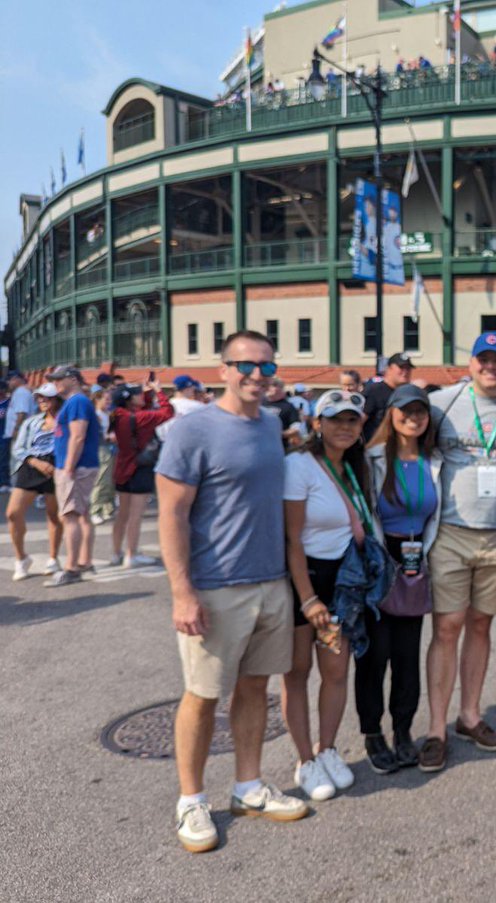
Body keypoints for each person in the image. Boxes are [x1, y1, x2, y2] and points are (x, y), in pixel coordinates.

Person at [157, 331, 309, 854]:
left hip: (270, 581)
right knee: (202, 697)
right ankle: (191, 799)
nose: (256, 375)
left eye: (265, 366)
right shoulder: (191, 430)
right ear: (222, 368)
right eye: (245, 365)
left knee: (254, 689)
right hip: (216, 587)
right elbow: (172, 514)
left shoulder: (270, 424)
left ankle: (248, 787)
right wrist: (182, 593)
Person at [421, 332, 496, 772]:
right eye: (483, 360)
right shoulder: (443, 404)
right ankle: (435, 728)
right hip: (451, 530)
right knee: (447, 626)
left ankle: (469, 716)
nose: (491, 367)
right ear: (470, 364)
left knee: (480, 624)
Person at [282, 390, 374, 801]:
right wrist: (307, 599)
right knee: (298, 672)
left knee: (336, 672)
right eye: (335, 419)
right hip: (304, 582)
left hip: (343, 583)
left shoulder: (357, 465)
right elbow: (292, 540)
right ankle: (305, 760)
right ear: (317, 424)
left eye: (352, 420)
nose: (344, 427)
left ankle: (329, 748)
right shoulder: (298, 465)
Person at [362, 383, 441, 772]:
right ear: (391, 415)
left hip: (415, 560)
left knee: (408, 656)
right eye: (405, 412)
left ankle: (403, 730)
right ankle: (372, 733)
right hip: (381, 559)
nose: (413, 419)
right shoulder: (372, 458)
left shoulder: (434, 460)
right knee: (376, 655)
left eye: (420, 412)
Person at [47, 366, 101, 587]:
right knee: (81, 514)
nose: (55, 383)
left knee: (70, 516)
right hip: (80, 465)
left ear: (72, 379)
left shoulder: (77, 401)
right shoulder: (76, 401)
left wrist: (69, 466)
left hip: (75, 467)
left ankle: (71, 568)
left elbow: (78, 436)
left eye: (59, 379)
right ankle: (84, 561)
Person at [111, 382, 174, 568]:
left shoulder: (118, 415)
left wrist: (145, 393)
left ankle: (116, 553)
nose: (141, 395)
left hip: (122, 466)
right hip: (139, 467)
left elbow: (143, 407)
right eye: (137, 394)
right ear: (130, 399)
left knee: (122, 514)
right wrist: (158, 391)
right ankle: (132, 554)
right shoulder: (141, 418)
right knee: (136, 515)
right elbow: (167, 412)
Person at [8, 384, 64, 580]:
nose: (42, 401)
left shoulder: (65, 420)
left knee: (53, 515)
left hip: (56, 466)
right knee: (13, 513)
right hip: (32, 464)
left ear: (56, 399)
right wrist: (35, 462)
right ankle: (21, 558)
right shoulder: (31, 422)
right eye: (39, 398)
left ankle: (53, 558)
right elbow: (19, 448)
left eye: (46, 398)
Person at [364, 353, 416, 440]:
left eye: (408, 368)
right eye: (401, 368)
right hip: (375, 446)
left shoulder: (409, 393)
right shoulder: (374, 391)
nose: (405, 372)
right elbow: (360, 420)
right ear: (389, 369)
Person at [89, 386, 116, 525]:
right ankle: (95, 510)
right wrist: (107, 437)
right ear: (97, 399)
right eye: (106, 399)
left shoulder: (109, 414)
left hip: (111, 449)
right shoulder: (95, 416)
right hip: (101, 449)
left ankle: (108, 508)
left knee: (110, 480)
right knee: (101, 481)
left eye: (110, 399)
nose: (109, 401)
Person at [5, 372, 37, 472]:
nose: (8, 383)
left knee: (17, 463)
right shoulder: (21, 391)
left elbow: (22, 413)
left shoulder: (21, 392)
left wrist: (16, 429)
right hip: (21, 433)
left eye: (9, 380)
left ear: (16, 379)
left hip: (20, 434)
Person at [263, 378, 302, 448]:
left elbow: (295, 429)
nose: (268, 388)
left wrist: (279, 434)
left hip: (278, 448)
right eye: (266, 385)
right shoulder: (258, 404)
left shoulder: (289, 407)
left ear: (280, 388)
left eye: (272, 385)